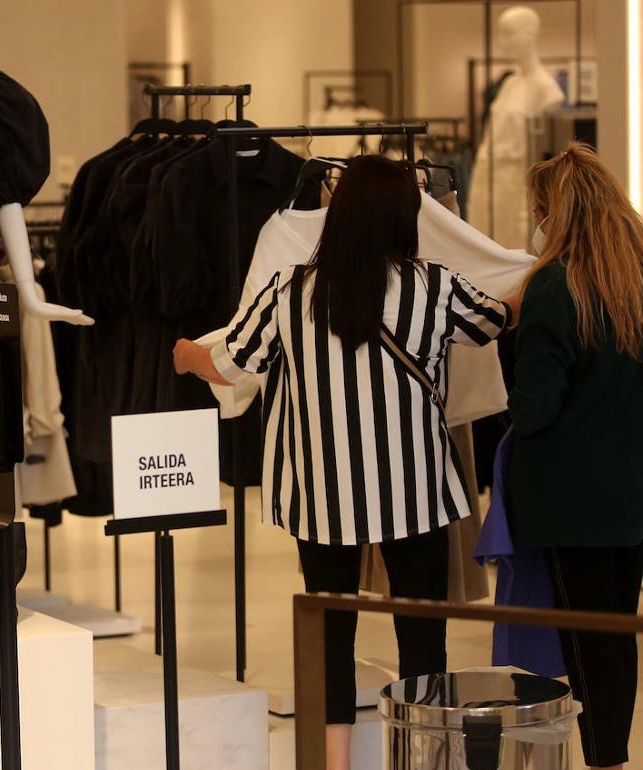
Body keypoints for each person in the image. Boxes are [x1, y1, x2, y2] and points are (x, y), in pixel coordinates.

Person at [173, 155, 511, 770]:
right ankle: (422, 754)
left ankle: (334, 762)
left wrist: (184, 354)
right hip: (415, 490)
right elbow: (496, 320)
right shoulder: (434, 285)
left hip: (319, 492)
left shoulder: (290, 290)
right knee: (422, 631)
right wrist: (541, 273)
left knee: (329, 628)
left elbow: (227, 364)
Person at [509, 143, 643, 770]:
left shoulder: (555, 287)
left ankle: (604, 760)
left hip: (571, 500)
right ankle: (612, 753)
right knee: (618, 630)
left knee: (586, 639)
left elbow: (536, 406)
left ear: (552, 213)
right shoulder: (636, 277)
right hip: (634, 491)